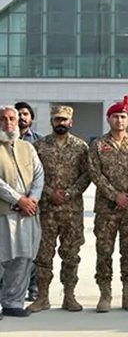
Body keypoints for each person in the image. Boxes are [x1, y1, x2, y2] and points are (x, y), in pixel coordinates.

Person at [88, 95, 128, 313]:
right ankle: (105, 294)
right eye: (115, 116)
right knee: (104, 252)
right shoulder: (98, 145)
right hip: (106, 209)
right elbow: (95, 173)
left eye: (123, 117)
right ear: (108, 119)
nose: (119, 120)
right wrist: (115, 195)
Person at [26, 106, 90, 313]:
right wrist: (49, 192)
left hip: (72, 211)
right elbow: (31, 176)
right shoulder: (38, 146)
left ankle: (69, 296)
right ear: (51, 121)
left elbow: (87, 175)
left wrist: (69, 193)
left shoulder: (81, 147)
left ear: (70, 122)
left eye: (64, 119)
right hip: (46, 211)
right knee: (43, 256)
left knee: (71, 255)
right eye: (57, 119)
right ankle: (42, 297)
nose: (60, 123)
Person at [0, 105, 44, 318]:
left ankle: (12, 302)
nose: (8, 123)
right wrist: (18, 199)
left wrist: (32, 200)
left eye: (12, 119)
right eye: (3, 119)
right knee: (2, 259)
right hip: (3, 212)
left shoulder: (27, 148)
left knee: (23, 258)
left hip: (27, 214)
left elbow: (39, 175)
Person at [14, 101, 42, 303]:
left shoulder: (39, 142)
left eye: (25, 114)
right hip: (8, 204)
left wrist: (32, 200)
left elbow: (41, 173)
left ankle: (33, 286)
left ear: (31, 118)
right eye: (18, 114)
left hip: (32, 204)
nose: (22, 117)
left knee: (32, 248)